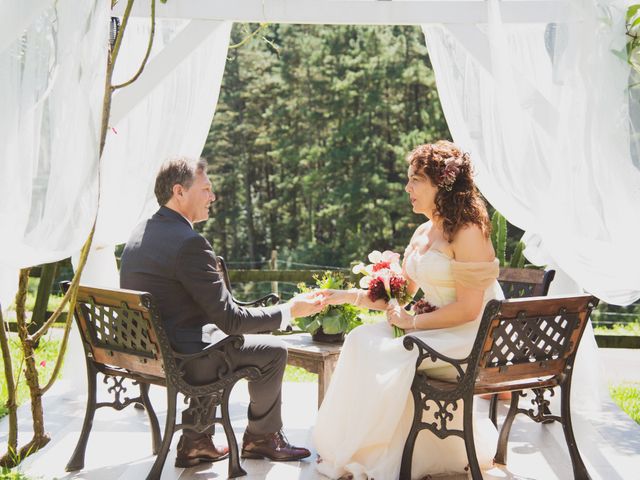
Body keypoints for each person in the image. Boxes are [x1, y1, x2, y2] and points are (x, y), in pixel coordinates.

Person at [314, 141, 504, 479]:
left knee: (390, 350)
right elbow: (399, 293)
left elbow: (470, 310)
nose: (408, 188)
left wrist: (412, 322)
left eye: (415, 179)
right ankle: (360, 447)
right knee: (360, 338)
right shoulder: (423, 231)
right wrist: (343, 296)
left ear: (440, 185)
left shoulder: (468, 231)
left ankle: (385, 452)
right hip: (435, 326)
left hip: (467, 336)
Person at [120, 157, 323, 468]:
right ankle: (262, 438)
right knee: (274, 351)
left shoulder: (141, 231)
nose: (212, 197)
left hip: (150, 353)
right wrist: (289, 311)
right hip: (184, 360)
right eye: (206, 189)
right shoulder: (189, 243)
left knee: (212, 339)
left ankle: (197, 442)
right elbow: (231, 320)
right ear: (179, 191)